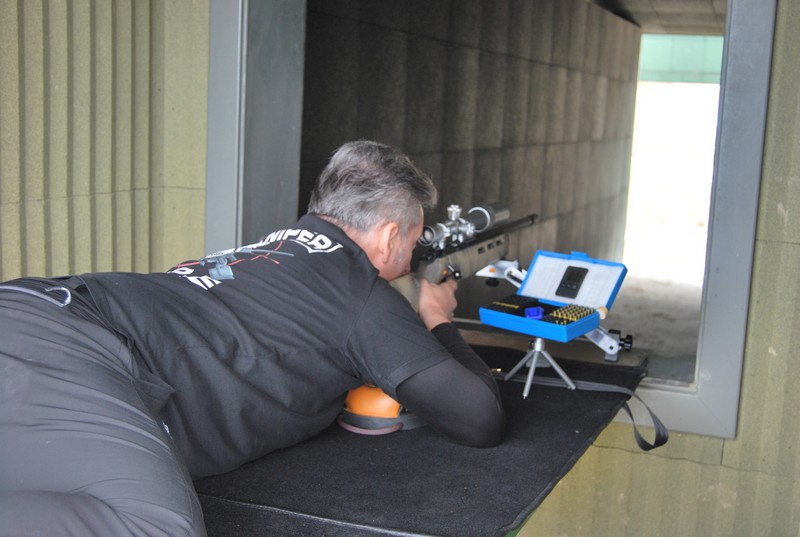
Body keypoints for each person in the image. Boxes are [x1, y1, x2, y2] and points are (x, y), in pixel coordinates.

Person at [0, 140, 506, 537]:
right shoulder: (358, 292)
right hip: (75, 348)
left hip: (31, 312)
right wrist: (437, 316)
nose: (412, 251)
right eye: (415, 239)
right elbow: (478, 418)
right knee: (155, 528)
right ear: (392, 235)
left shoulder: (268, 248)